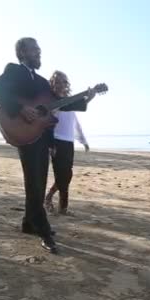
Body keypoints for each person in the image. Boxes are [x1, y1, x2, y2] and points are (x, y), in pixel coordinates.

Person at [0, 38, 95, 253]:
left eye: (39, 50)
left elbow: (59, 103)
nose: (39, 53)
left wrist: (86, 98)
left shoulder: (43, 82)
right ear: (22, 53)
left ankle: (29, 224)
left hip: (41, 136)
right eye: (34, 50)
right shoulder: (14, 71)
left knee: (40, 181)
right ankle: (44, 231)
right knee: (34, 183)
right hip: (23, 131)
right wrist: (19, 108)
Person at [45, 71, 94, 215]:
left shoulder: (70, 103)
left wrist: (83, 140)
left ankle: (49, 197)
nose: (61, 85)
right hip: (56, 141)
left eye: (64, 82)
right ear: (52, 84)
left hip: (68, 142)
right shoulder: (52, 101)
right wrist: (50, 144)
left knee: (67, 175)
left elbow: (75, 123)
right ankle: (62, 208)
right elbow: (48, 121)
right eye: (58, 82)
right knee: (61, 176)